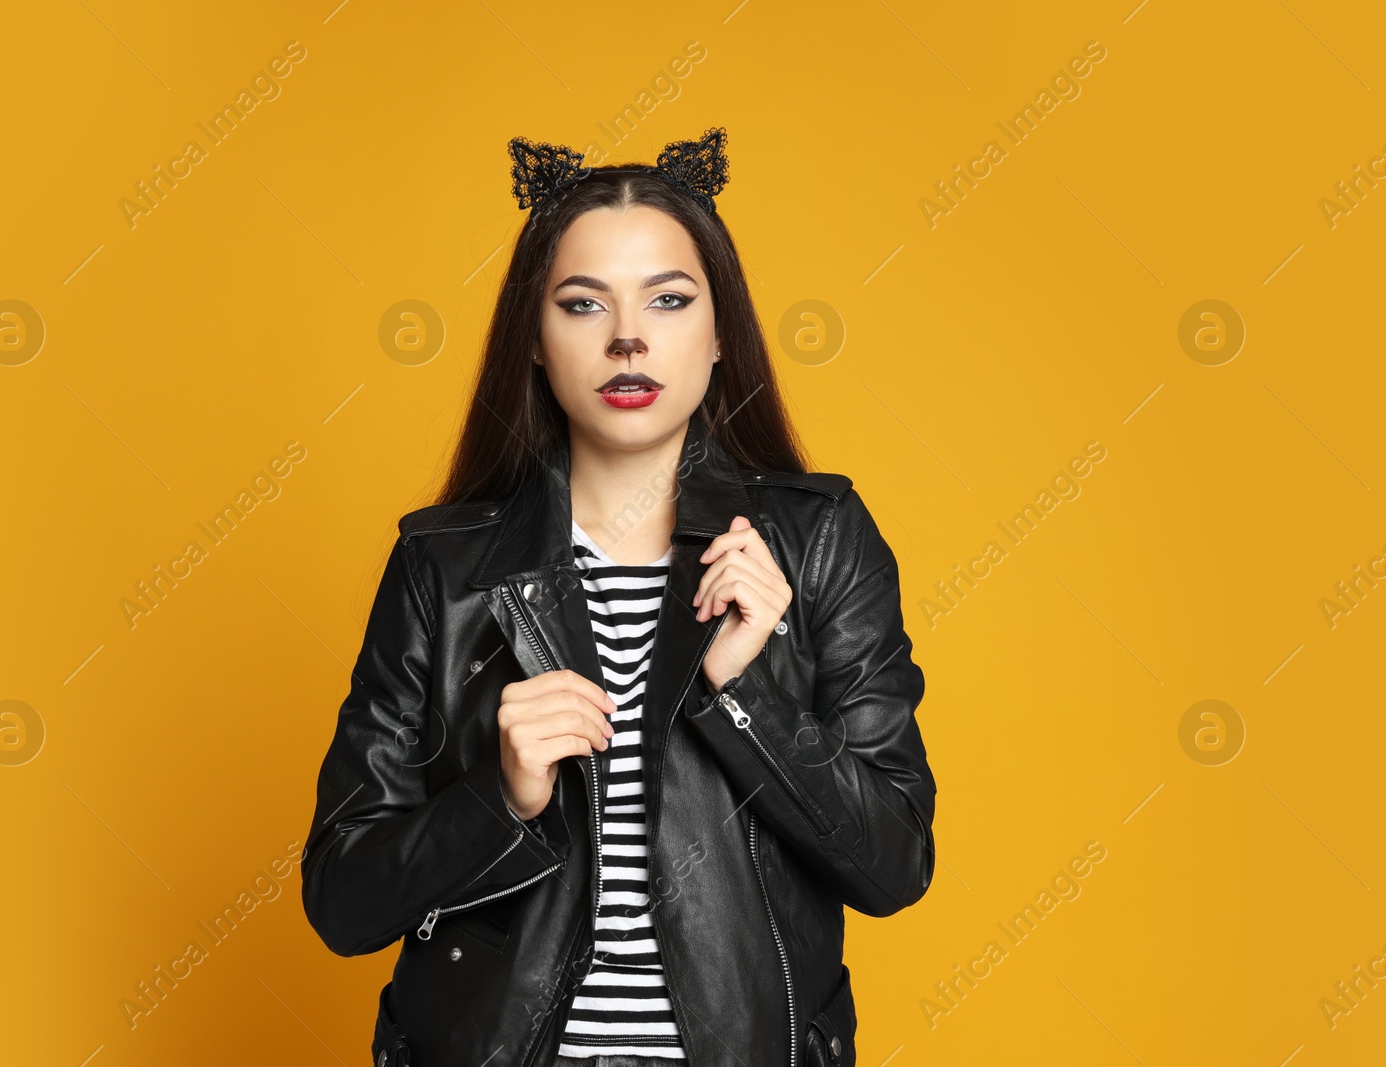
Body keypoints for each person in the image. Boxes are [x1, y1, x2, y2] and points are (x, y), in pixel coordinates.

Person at [300, 127, 937, 1067]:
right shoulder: (442, 567)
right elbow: (343, 901)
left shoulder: (819, 540)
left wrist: (745, 697)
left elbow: (892, 865)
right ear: (534, 339)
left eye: (669, 300)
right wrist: (502, 796)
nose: (627, 336)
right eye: (582, 303)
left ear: (721, 336)